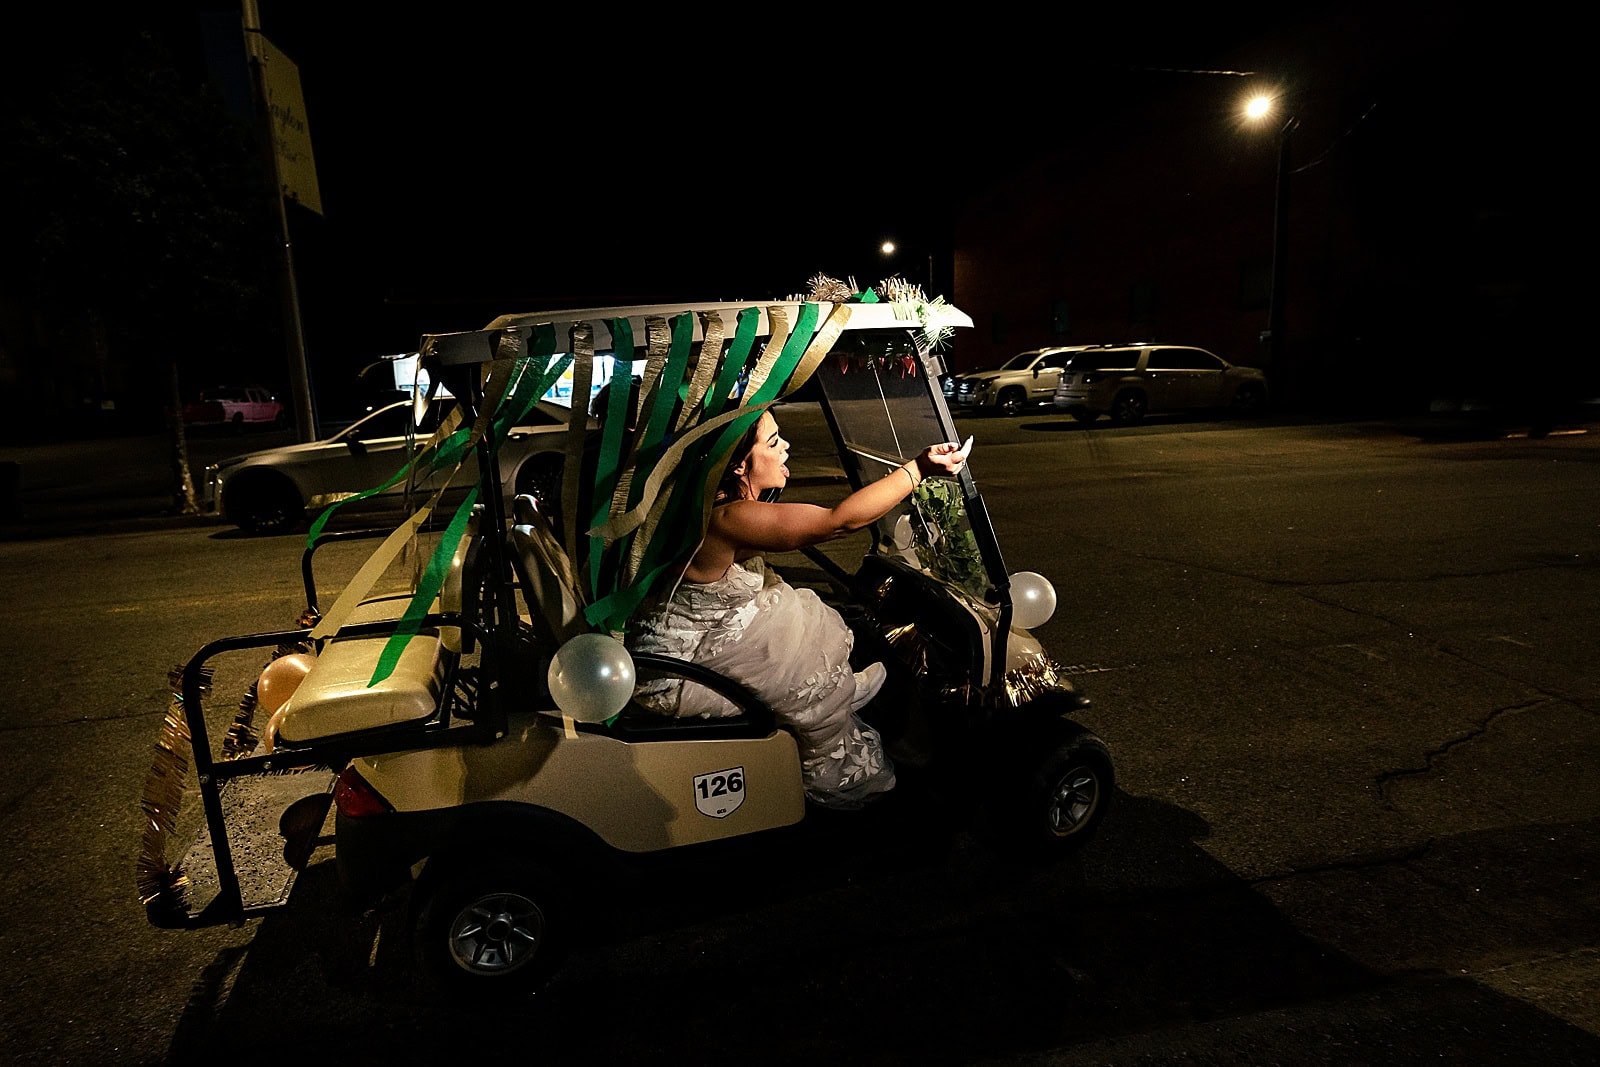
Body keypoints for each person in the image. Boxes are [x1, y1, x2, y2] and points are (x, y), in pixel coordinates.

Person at [627, 409, 972, 809]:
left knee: (799, 618)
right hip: (689, 661)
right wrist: (919, 468)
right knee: (798, 648)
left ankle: (839, 691)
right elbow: (839, 522)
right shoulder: (729, 517)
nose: (786, 447)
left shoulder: (715, 503)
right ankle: (834, 768)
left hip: (703, 631)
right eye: (773, 443)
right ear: (738, 465)